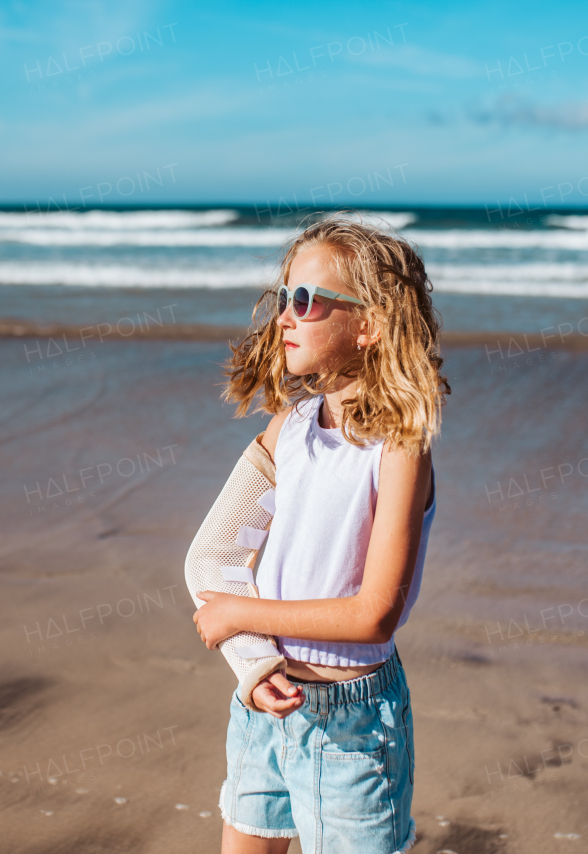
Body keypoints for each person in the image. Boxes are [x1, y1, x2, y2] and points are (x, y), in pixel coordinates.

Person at [191, 213, 448, 854]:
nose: (285, 317)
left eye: (305, 301)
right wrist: (250, 664)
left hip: (353, 725)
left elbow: (374, 615)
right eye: (284, 298)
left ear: (370, 324)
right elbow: (214, 554)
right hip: (264, 702)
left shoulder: (398, 450)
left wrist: (239, 614)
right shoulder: (290, 428)